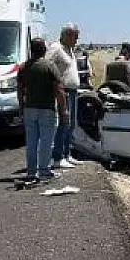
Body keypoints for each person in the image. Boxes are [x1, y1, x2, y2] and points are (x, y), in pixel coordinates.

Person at [17, 38, 68, 183]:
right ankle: (44, 170)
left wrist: (21, 107)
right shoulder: (50, 66)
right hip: (47, 109)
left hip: (29, 109)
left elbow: (20, 90)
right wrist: (63, 110)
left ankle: (31, 172)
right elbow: (59, 90)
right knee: (46, 141)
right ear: (44, 49)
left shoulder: (23, 67)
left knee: (31, 141)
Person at [46, 23, 82, 169]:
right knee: (63, 124)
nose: (77, 40)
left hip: (72, 91)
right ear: (67, 35)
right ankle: (57, 157)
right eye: (75, 36)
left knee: (70, 125)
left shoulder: (70, 50)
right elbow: (47, 66)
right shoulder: (56, 48)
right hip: (63, 91)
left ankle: (67, 154)